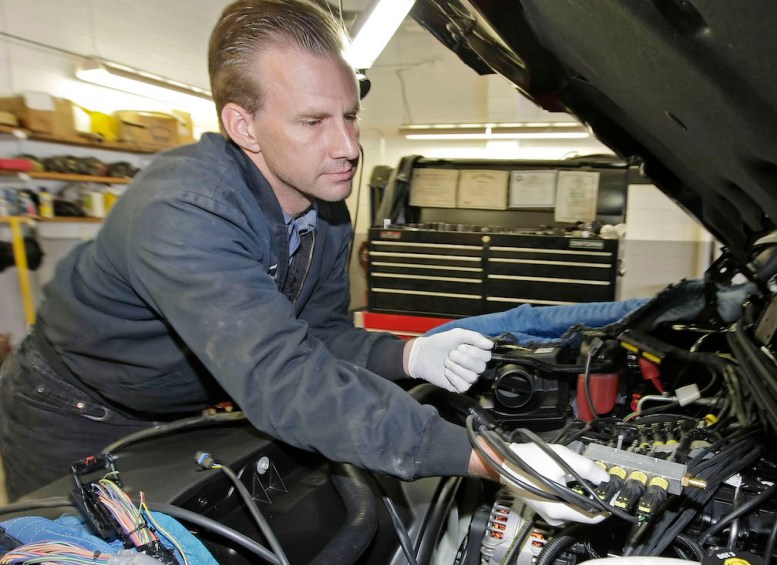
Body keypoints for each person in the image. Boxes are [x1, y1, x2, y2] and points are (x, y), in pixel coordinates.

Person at [0, 0, 606, 524]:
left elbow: (319, 335)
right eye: (313, 121)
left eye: (349, 115)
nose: (346, 147)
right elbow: (286, 379)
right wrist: (494, 460)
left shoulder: (325, 206)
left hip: (183, 404)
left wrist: (407, 353)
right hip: (72, 412)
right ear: (245, 125)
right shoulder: (185, 210)